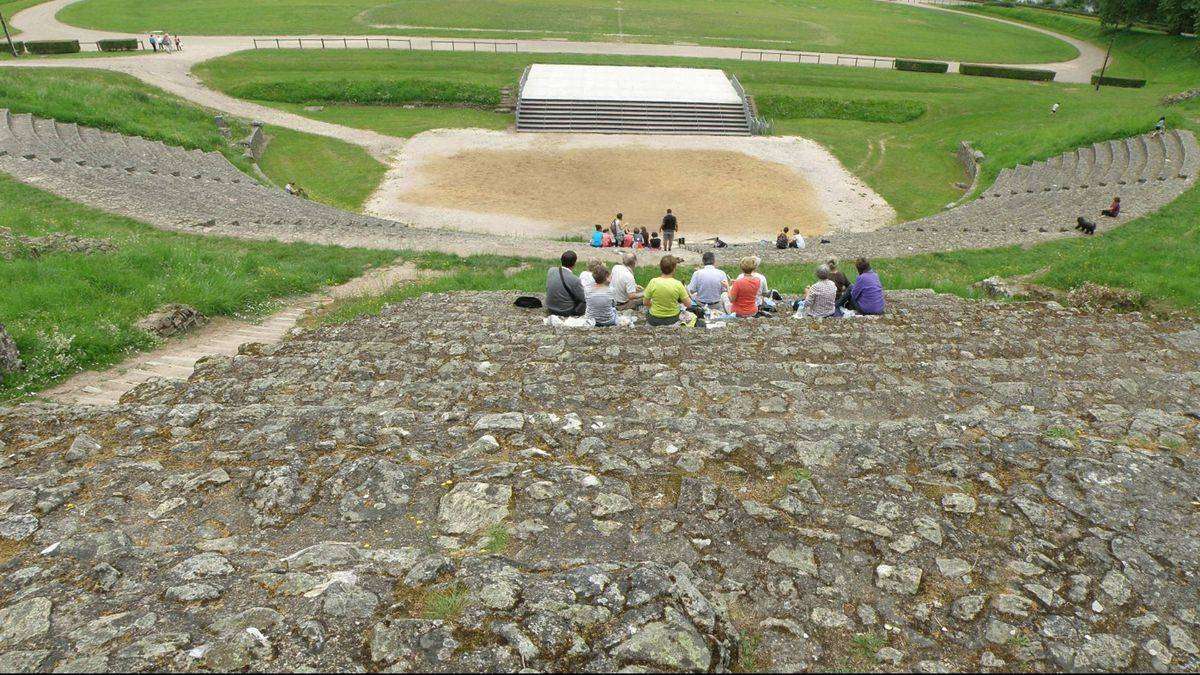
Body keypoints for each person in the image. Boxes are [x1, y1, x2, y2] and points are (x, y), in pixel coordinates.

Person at [644, 255, 693, 326]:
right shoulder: (678, 284)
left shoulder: (653, 282)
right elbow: (688, 304)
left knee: (647, 312)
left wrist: (656, 304)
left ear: (660, 268)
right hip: (672, 319)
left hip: (654, 319)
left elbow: (645, 302)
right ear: (674, 269)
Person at [545, 251, 587, 317]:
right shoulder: (574, 279)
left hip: (550, 307)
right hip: (565, 310)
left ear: (561, 260)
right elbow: (583, 298)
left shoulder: (551, 270)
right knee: (585, 302)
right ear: (574, 264)